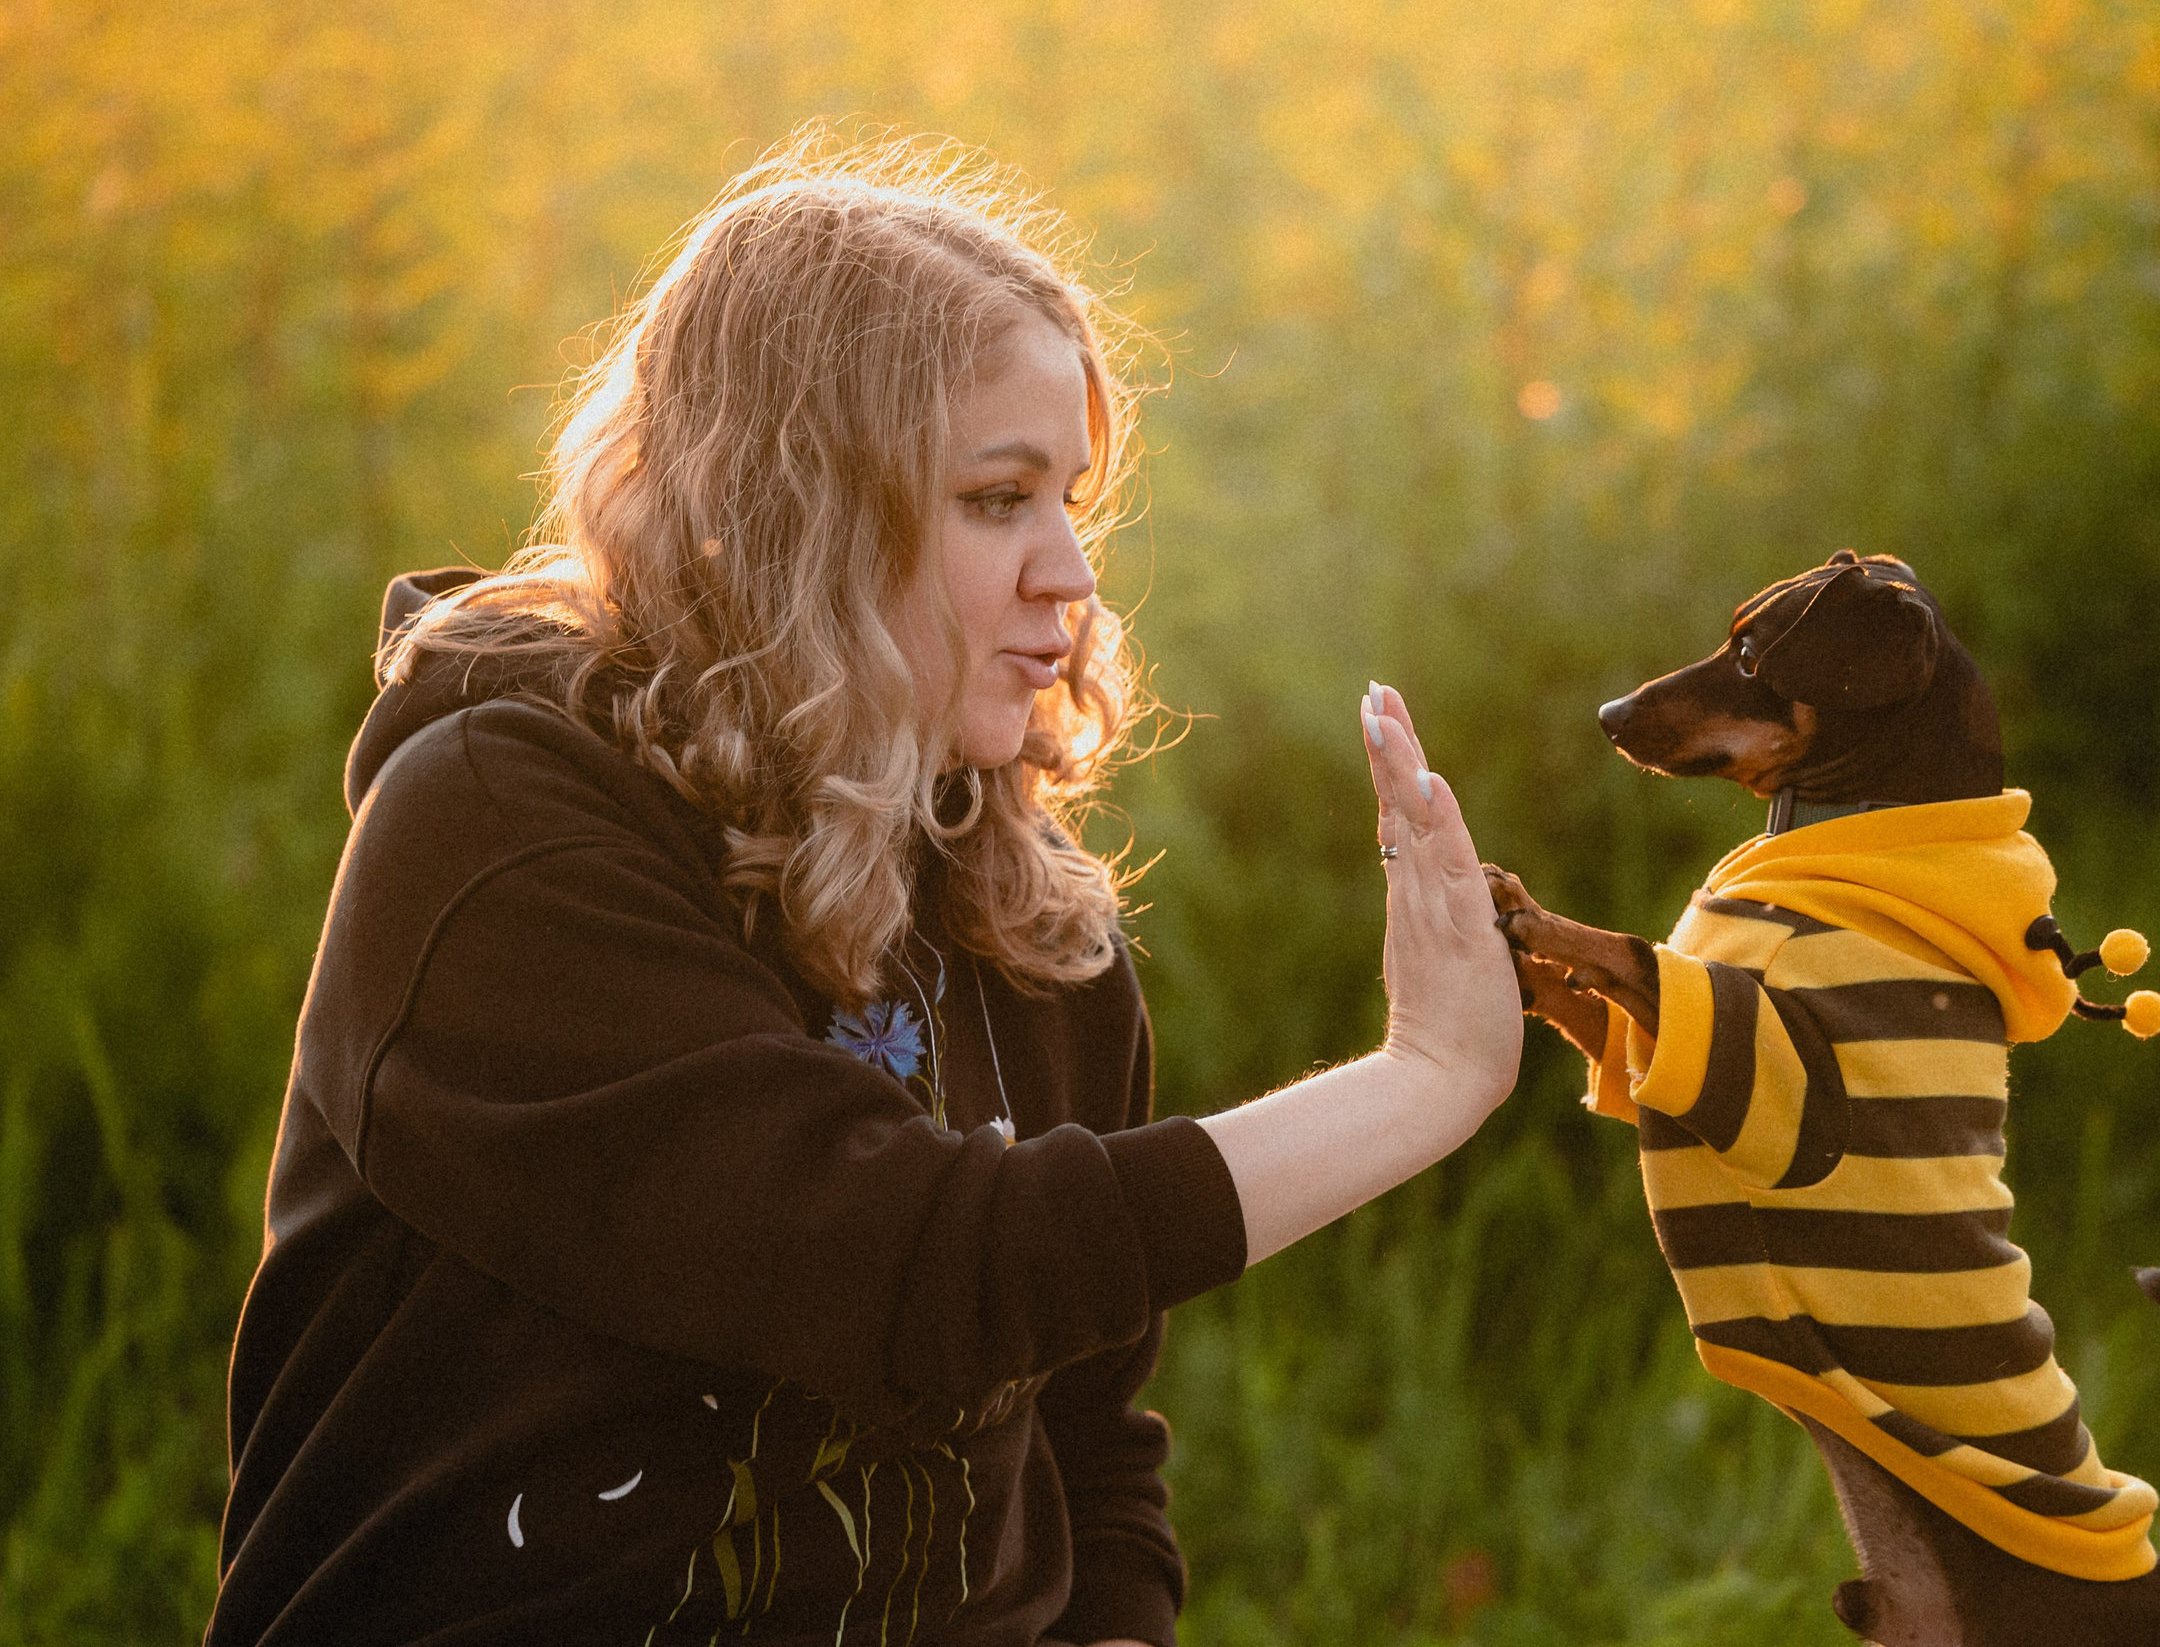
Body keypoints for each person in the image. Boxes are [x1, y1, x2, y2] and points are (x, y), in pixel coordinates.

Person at [205, 134, 1522, 1647]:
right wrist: (1424, 1079)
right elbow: (915, 1270)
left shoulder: (1019, 908)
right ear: (797, 515)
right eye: (995, 499)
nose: (1072, 575)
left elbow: (1090, 1432)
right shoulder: (499, 838)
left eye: (1070, 498)